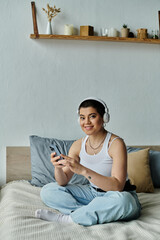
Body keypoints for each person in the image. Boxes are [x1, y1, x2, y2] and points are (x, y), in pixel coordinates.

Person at [35, 97, 141, 226]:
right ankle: (86, 213)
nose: (86, 122)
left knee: (124, 202)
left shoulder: (116, 143)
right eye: (82, 117)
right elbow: (62, 181)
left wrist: (83, 170)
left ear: (104, 118)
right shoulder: (78, 145)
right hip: (92, 193)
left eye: (92, 116)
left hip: (117, 195)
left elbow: (117, 186)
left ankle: (69, 218)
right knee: (48, 190)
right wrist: (57, 167)